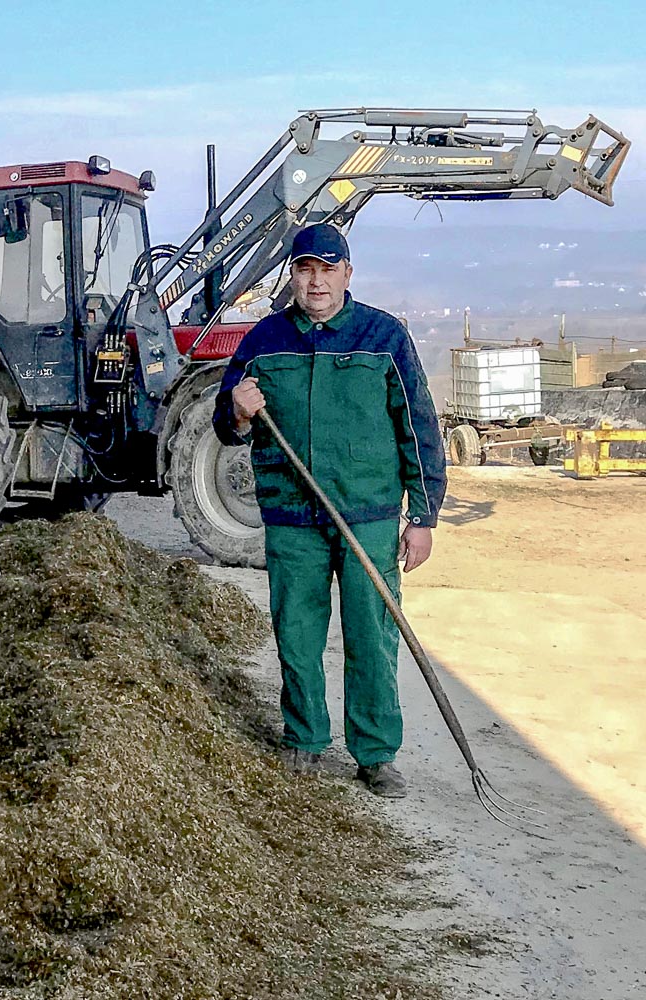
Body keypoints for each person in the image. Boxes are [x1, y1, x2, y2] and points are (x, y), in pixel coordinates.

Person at [211, 223, 446, 798]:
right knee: (297, 631)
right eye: (305, 269)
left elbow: (416, 427)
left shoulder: (382, 337)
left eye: (327, 269)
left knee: (371, 633)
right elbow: (225, 423)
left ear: (347, 273)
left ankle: (375, 754)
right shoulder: (263, 340)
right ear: (293, 275)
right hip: (292, 515)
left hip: (366, 512)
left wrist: (424, 516)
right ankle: (306, 739)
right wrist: (238, 412)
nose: (316, 281)